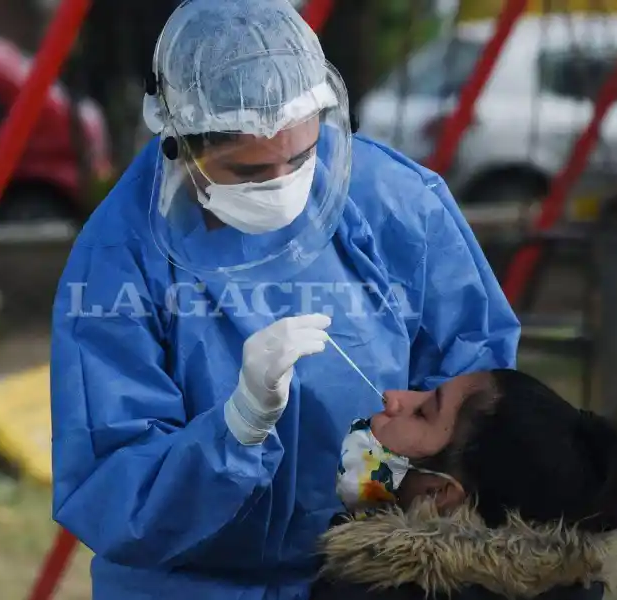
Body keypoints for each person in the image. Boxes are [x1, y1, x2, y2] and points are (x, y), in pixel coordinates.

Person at [48, 0, 521, 599]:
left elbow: (471, 392)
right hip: (186, 582)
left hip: (369, 574)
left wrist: (380, 484)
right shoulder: (120, 259)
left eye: (300, 157)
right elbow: (119, 492)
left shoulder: (397, 205)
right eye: (248, 171)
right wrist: (236, 428)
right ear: (181, 145)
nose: (281, 183)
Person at [312, 369, 617, 600]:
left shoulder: (368, 589)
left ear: (440, 493)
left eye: (423, 412)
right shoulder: (571, 588)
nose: (394, 399)